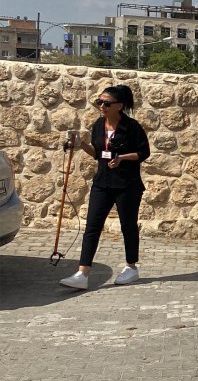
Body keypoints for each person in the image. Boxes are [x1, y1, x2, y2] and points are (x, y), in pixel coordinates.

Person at [59, 85, 150, 290]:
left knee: (128, 225)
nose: (101, 106)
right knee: (92, 226)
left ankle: (131, 267)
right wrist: (80, 143)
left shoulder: (132, 127)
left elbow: (144, 153)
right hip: (102, 182)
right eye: (99, 102)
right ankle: (83, 273)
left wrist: (122, 158)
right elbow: (98, 153)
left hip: (127, 184)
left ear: (119, 106)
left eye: (106, 103)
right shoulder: (99, 125)